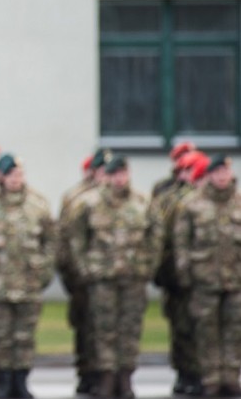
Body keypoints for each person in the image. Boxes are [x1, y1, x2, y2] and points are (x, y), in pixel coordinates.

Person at [66, 155, 160, 398]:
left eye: (123, 173)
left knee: (130, 329)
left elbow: (155, 236)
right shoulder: (89, 203)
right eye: (115, 174)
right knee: (103, 329)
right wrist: (86, 268)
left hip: (133, 276)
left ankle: (125, 377)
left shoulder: (142, 202)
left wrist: (148, 265)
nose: (120, 179)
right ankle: (106, 377)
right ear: (107, 176)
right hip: (102, 278)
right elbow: (76, 238)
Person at [0, 155, 55, 399]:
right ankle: (3, 381)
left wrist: (44, 271)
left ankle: (21, 381)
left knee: (24, 337)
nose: (15, 179)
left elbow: (51, 241)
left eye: (19, 174)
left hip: (28, 283)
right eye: (10, 174)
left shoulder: (37, 204)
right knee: (0, 337)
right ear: (0, 176)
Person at [173, 155, 241, 397]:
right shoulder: (192, 205)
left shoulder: (238, 203)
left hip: (235, 280)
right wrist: (185, 275)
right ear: (209, 175)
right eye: (217, 172)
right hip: (204, 279)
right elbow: (181, 243)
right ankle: (211, 378)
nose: (222, 177)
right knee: (206, 331)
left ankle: (231, 376)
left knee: (235, 330)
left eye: (226, 172)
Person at [151, 149, 204, 396]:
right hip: (176, 274)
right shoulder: (170, 198)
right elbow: (163, 238)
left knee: (204, 328)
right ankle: (186, 372)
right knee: (182, 327)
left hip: (207, 275)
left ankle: (202, 374)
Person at [56, 147, 110, 395]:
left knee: (107, 328)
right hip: (81, 275)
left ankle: (105, 375)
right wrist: (71, 273)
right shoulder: (76, 197)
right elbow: (65, 237)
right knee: (86, 327)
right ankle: (86, 372)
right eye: (102, 170)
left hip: (109, 275)